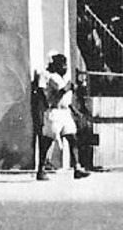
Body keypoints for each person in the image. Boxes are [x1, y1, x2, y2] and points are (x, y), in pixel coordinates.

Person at [36, 52, 88, 180]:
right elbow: (49, 97)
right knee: (48, 140)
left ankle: (77, 168)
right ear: (55, 65)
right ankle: (40, 169)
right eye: (62, 64)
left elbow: (66, 99)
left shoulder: (61, 78)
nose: (65, 67)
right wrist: (66, 88)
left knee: (72, 139)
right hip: (54, 112)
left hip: (65, 112)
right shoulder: (47, 76)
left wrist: (75, 110)